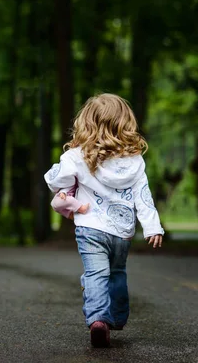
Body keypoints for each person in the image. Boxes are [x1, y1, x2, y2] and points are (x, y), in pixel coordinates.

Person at [44, 93, 164, 348]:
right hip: (122, 232)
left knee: (95, 273)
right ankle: (117, 317)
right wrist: (153, 227)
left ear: (85, 123)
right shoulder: (134, 160)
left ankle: (99, 319)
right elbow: (143, 197)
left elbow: (57, 182)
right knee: (117, 272)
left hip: (90, 227)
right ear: (125, 124)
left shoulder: (76, 156)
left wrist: (62, 185)